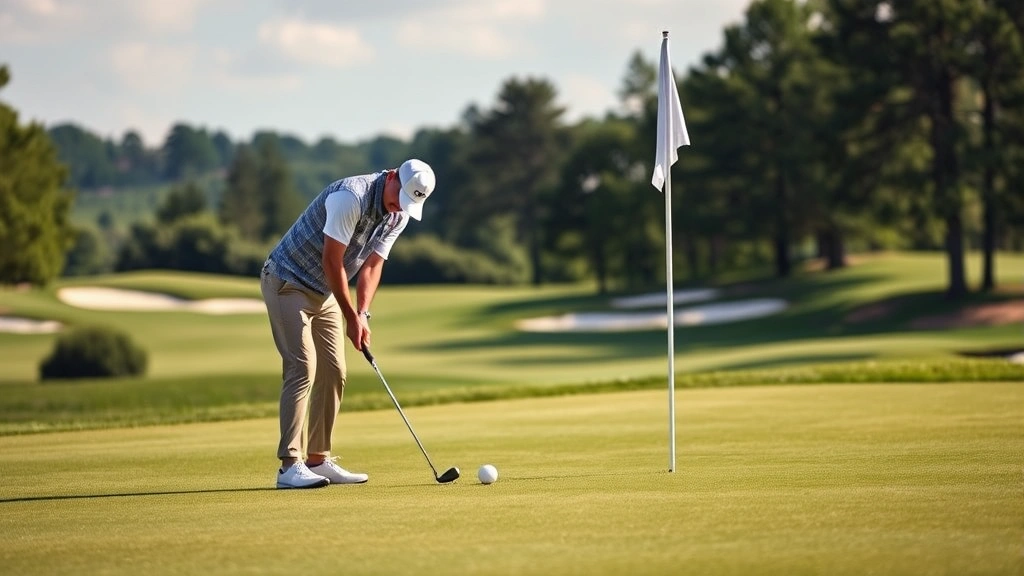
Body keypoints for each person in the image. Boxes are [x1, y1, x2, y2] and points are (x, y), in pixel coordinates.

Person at [260, 159, 436, 489]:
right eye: (400, 197)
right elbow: (332, 260)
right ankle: (289, 466)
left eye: (409, 204)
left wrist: (363, 313)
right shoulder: (350, 197)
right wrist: (349, 315)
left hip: (323, 289)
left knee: (335, 370)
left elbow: (372, 265)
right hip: (287, 280)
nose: (400, 206)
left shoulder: (399, 212)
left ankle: (318, 459)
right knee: (302, 367)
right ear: (393, 176)